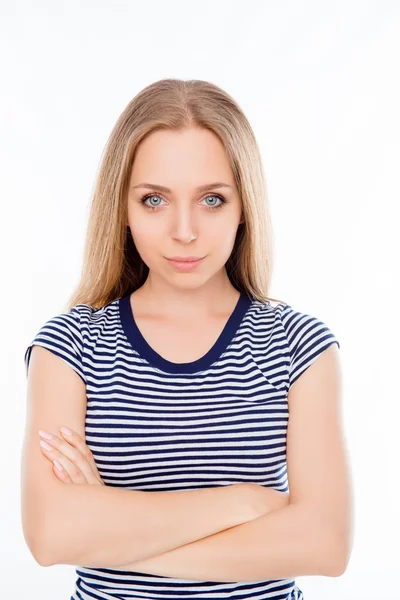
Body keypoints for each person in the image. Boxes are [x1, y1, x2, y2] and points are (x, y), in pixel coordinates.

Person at [22, 79, 351, 600]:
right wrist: (245, 503)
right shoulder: (70, 345)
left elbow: (326, 545)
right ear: (123, 209)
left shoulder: (298, 345)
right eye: (154, 200)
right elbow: (50, 535)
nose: (184, 231)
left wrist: (112, 531)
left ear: (244, 206)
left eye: (212, 200)